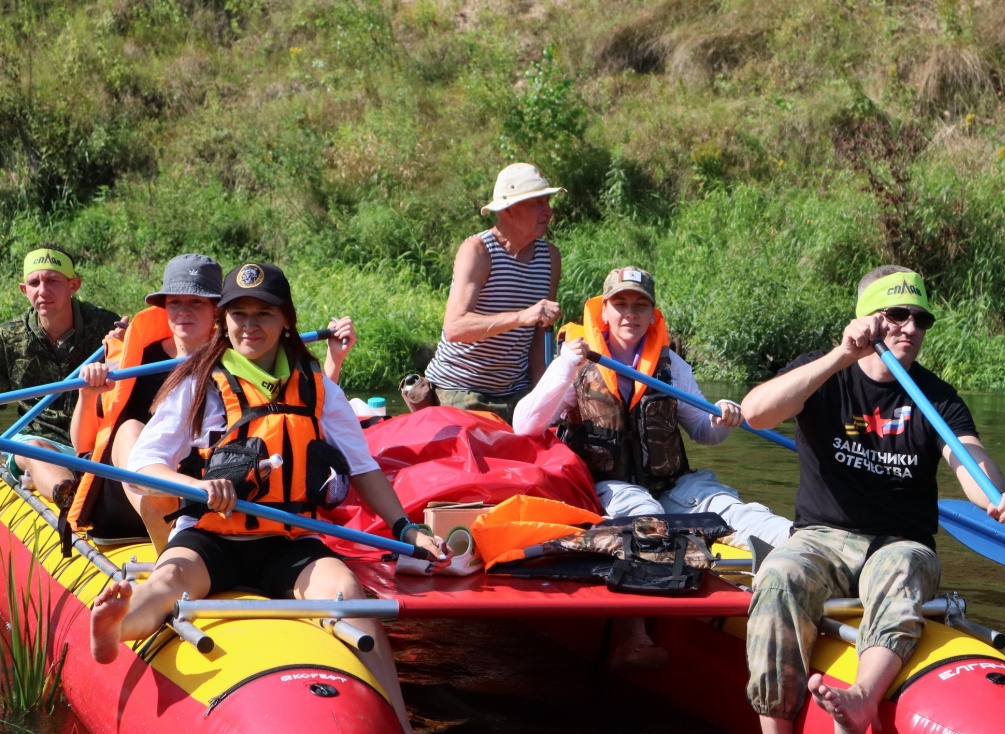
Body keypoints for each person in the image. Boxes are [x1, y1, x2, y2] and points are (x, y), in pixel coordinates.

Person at [87, 262, 443, 734]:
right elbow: (144, 466)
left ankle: (399, 722)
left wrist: (405, 528)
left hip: (289, 541)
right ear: (224, 320)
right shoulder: (199, 382)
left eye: (263, 314)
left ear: (285, 321)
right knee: (166, 582)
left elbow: (362, 468)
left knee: (349, 593)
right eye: (239, 314)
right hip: (212, 539)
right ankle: (112, 629)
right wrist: (197, 488)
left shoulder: (317, 388)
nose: (249, 326)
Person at [739, 266, 1005, 734]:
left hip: (900, 542)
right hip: (821, 538)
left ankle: (862, 700)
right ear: (868, 318)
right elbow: (755, 414)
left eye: (921, 319)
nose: (911, 328)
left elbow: (969, 460)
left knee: (902, 566)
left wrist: (997, 495)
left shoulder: (937, 398)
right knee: (778, 575)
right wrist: (841, 356)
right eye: (897, 315)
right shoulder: (823, 373)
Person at [514, 266, 793, 669]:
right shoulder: (575, 361)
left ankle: (812, 570)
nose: (630, 313)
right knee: (647, 521)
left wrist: (723, 417)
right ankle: (635, 637)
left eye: (640, 305)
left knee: (738, 512)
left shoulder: (671, 364)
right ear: (604, 311)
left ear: (652, 313)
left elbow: (704, 432)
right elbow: (524, 426)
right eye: (620, 304)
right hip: (608, 486)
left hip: (674, 483)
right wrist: (564, 366)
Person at [67, 254, 356, 554]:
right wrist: (88, 395)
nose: (184, 311)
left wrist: (333, 362)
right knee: (129, 429)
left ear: (218, 310)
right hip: (143, 493)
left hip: (219, 493)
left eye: (196, 302)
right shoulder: (134, 359)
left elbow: (302, 414)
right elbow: (82, 445)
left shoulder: (244, 356)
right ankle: (168, 549)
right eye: (175, 302)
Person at [422, 163, 564, 421]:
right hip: (461, 390)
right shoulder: (478, 251)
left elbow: (538, 339)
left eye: (548, 201)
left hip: (516, 391)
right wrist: (522, 317)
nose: (549, 211)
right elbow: (455, 327)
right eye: (537, 203)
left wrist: (543, 397)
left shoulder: (550, 257)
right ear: (508, 209)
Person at [0, 245, 121, 501]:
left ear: (73, 285)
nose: (43, 291)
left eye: (53, 281)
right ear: (24, 289)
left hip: (93, 440)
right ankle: (73, 501)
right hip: (34, 439)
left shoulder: (106, 325)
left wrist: (124, 349)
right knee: (34, 448)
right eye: (34, 283)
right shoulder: (7, 336)